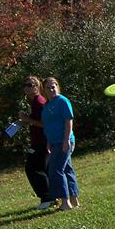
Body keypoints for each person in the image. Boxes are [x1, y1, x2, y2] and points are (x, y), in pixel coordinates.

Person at [41, 77, 80, 211]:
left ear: (58, 87)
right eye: (48, 87)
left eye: (54, 86)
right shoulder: (47, 106)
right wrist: (48, 141)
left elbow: (68, 120)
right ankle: (74, 200)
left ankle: (65, 202)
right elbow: (48, 125)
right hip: (54, 142)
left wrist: (66, 140)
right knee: (67, 169)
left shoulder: (62, 101)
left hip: (63, 141)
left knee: (56, 170)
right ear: (44, 90)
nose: (51, 89)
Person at [18, 76, 54, 210]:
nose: (27, 87)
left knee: (33, 168)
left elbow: (45, 124)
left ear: (37, 87)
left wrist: (27, 119)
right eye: (25, 85)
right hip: (38, 141)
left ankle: (47, 197)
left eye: (30, 85)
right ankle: (52, 196)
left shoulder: (39, 102)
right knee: (41, 168)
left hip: (42, 141)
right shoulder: (34, 102)